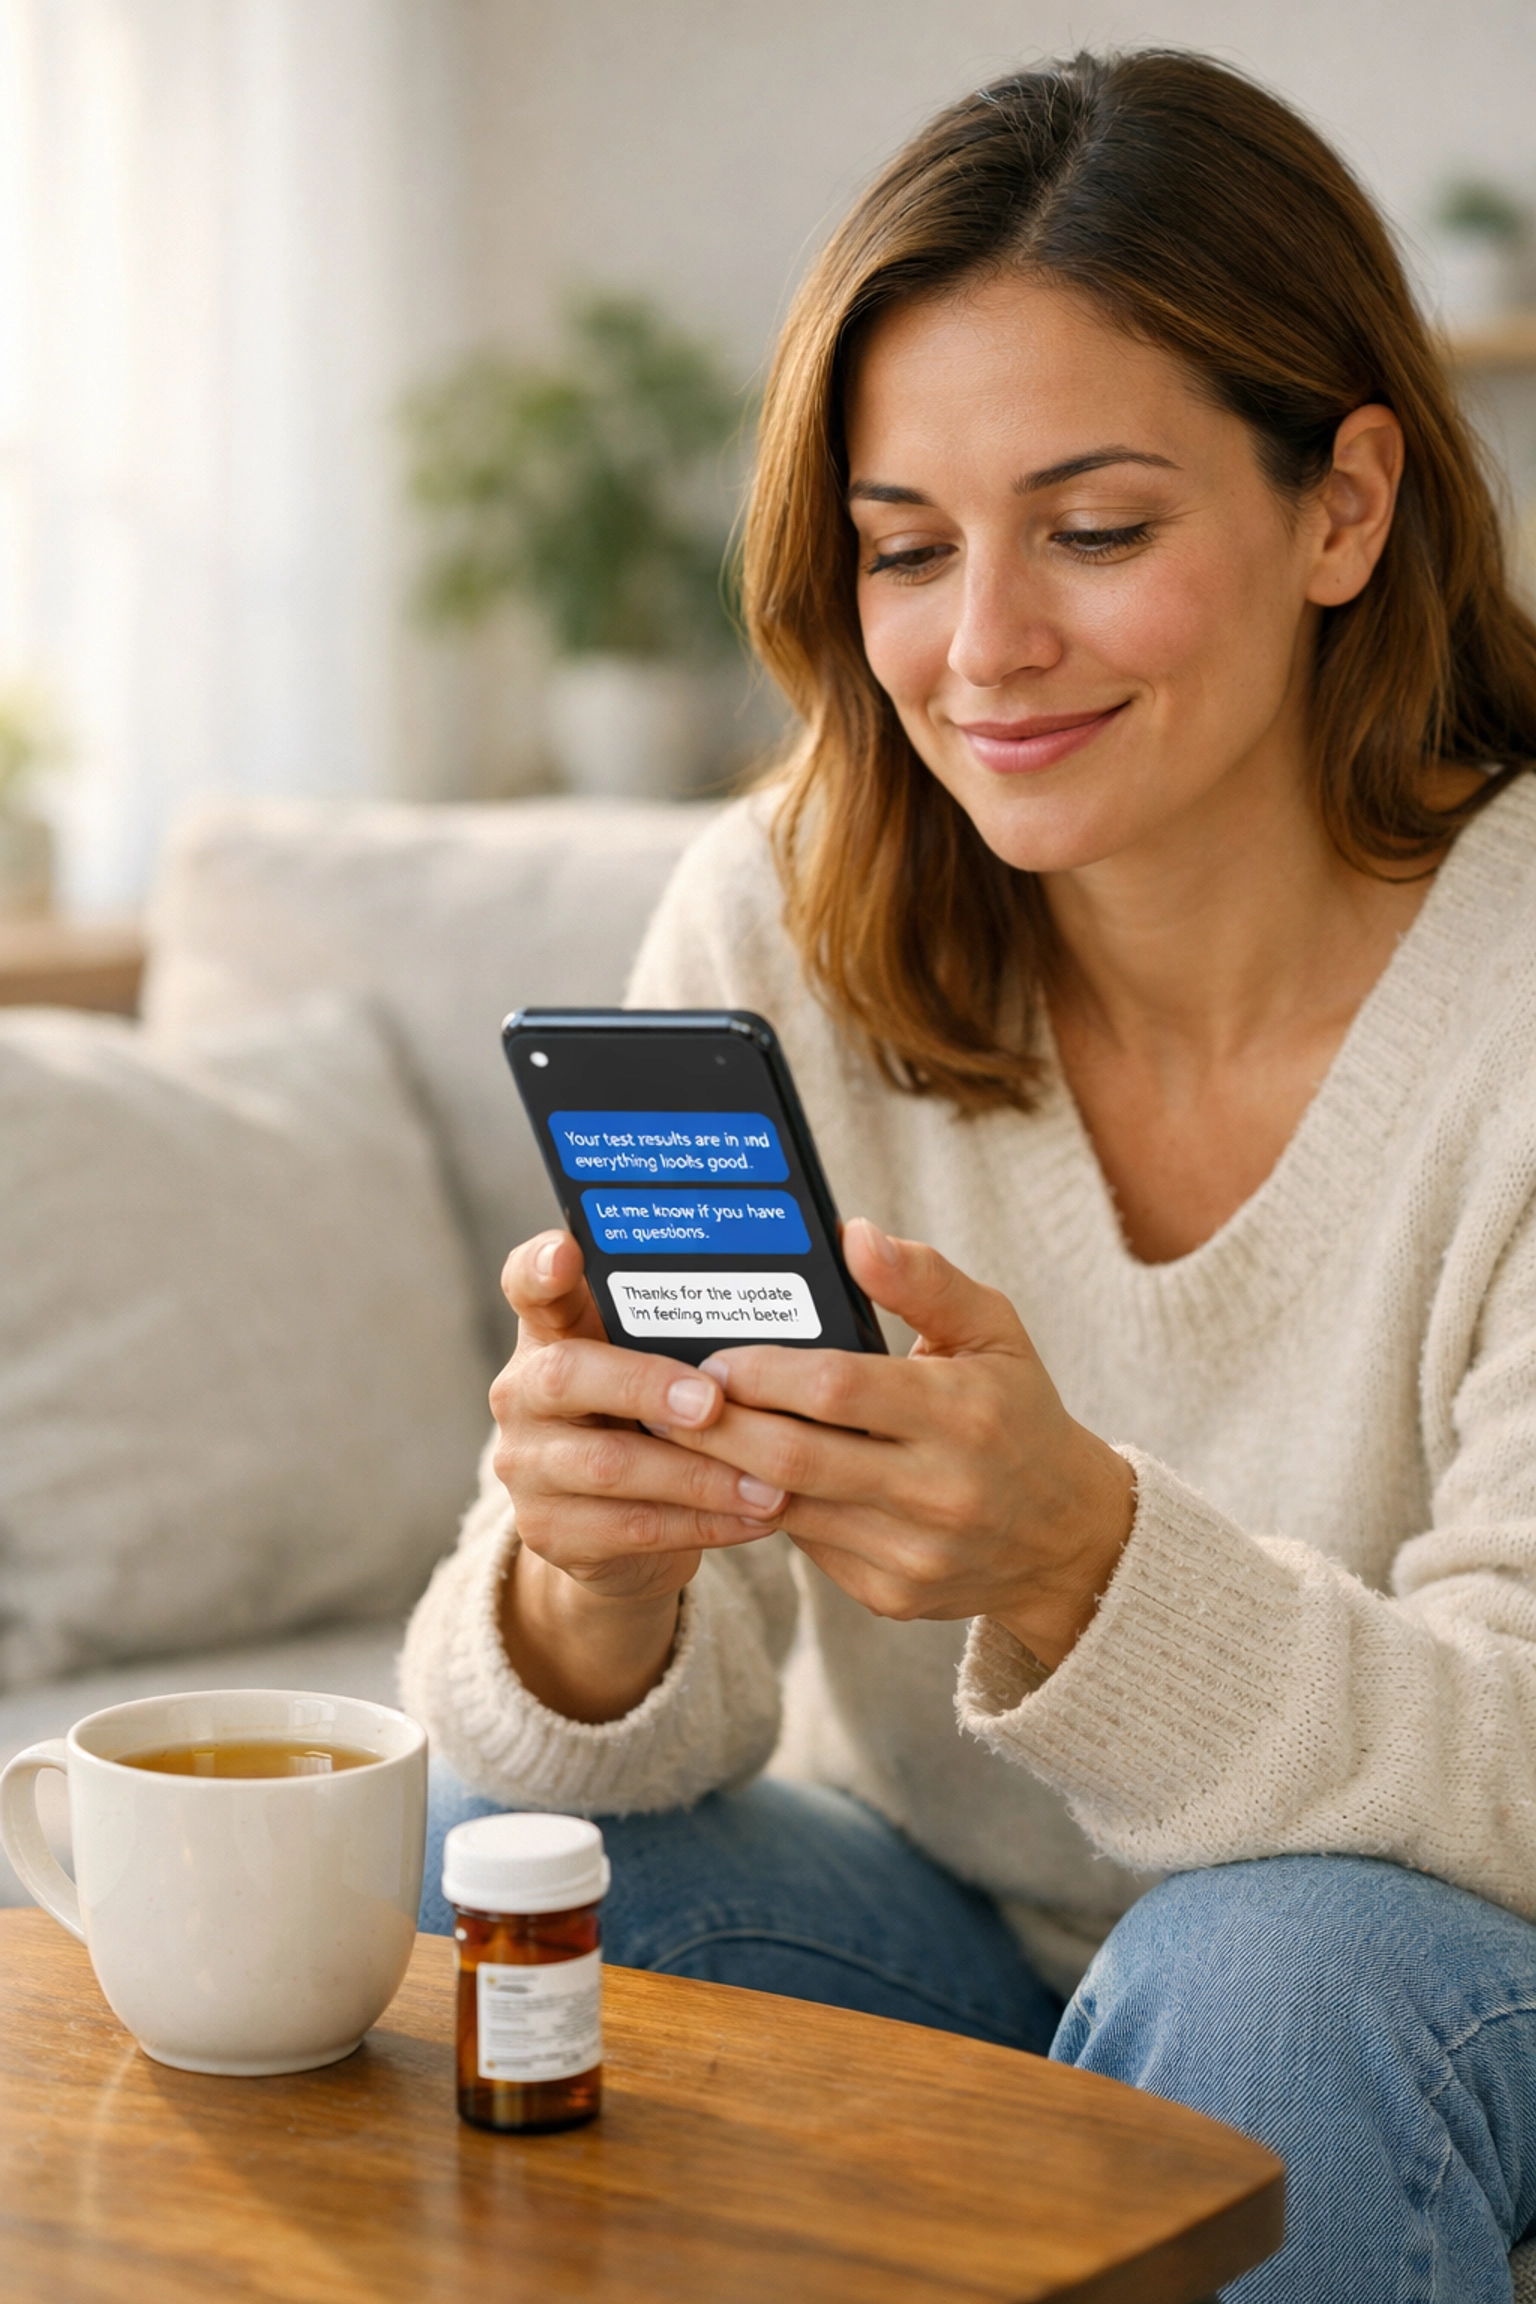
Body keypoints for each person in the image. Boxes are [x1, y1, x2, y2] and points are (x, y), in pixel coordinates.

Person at [403, 49, 1536, 2301]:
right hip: (958, 1941)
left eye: (1095, 532)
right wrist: (588, 1580)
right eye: (906, 548)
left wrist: (1086, 1561)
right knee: (482, 1859)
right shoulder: (784, 911)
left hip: (1424, 1966)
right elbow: (620, 1714)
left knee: (1267, 1976)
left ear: (1345, 505)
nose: (980, 647)